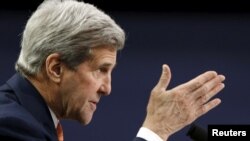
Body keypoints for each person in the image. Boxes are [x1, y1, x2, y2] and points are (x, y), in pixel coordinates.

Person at [0, 0, 225, 141]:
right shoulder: (11, 127)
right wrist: (156, 131)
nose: (107, 88)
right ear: (56, 68)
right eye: (100, 70)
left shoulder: (28, 116)